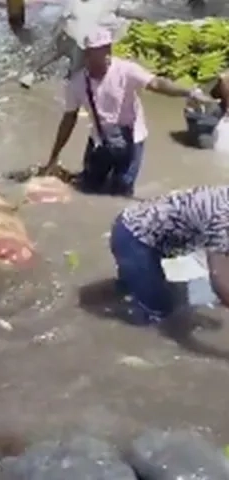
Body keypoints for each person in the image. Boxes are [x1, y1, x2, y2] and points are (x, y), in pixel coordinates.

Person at [43, 28, 216, 197]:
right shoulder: (77, 82)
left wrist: (189, 92)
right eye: (89, 52)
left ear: (108, 51)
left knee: (120, 194)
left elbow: (156, 84)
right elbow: (69, 119)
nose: (92, 58)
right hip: (99, 140)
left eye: (99, 51)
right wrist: (54, 157)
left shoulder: (126, 71)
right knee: (88, 188)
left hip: (131, 141)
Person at [110, 185, 229, 326]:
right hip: (133, 237)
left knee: (132, 288)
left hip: (147, 231)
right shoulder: (223, 218)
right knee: (159, 311)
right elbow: (218, 278)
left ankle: (127, 288)